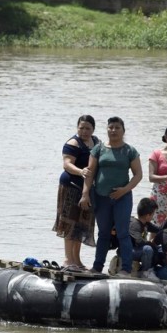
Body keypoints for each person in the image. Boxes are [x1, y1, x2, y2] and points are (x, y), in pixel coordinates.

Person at [80, 116, 143, 278]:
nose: (113, 130)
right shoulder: (99, 149)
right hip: (101, 197)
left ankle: (126, 269)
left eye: (117, 127)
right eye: (111, 127)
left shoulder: (130, 150)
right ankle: (97, 267)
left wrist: (124, 190)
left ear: (123, 130)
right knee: (103, 233)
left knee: (122, 232)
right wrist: (85, 194)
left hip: (122, 197)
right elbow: (90, 173)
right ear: (107, 129)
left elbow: (138, 175)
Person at [53, 115, 100, 271]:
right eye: (81, 128)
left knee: (81, 224)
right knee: (70, 222)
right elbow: (67, 164)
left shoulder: (96, 142)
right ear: (77, 128)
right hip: (71, 186)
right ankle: (68, 259)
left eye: (88, 128)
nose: (84, 131)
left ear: (93, 129)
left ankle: (77, 260)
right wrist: (81, 172)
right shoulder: (72, 143)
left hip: (87, 188)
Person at [129, 198, 161, 281]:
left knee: (160, 249)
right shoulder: (134, 223)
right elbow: (139, 241)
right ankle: (145, 272)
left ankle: (153, 269)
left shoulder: (146, 223)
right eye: (153, 214)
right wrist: (152, 244)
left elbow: (159, 230)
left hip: (139, 249)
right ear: (148, 215)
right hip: (130, 250)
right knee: (148, 249)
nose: (153, 216)